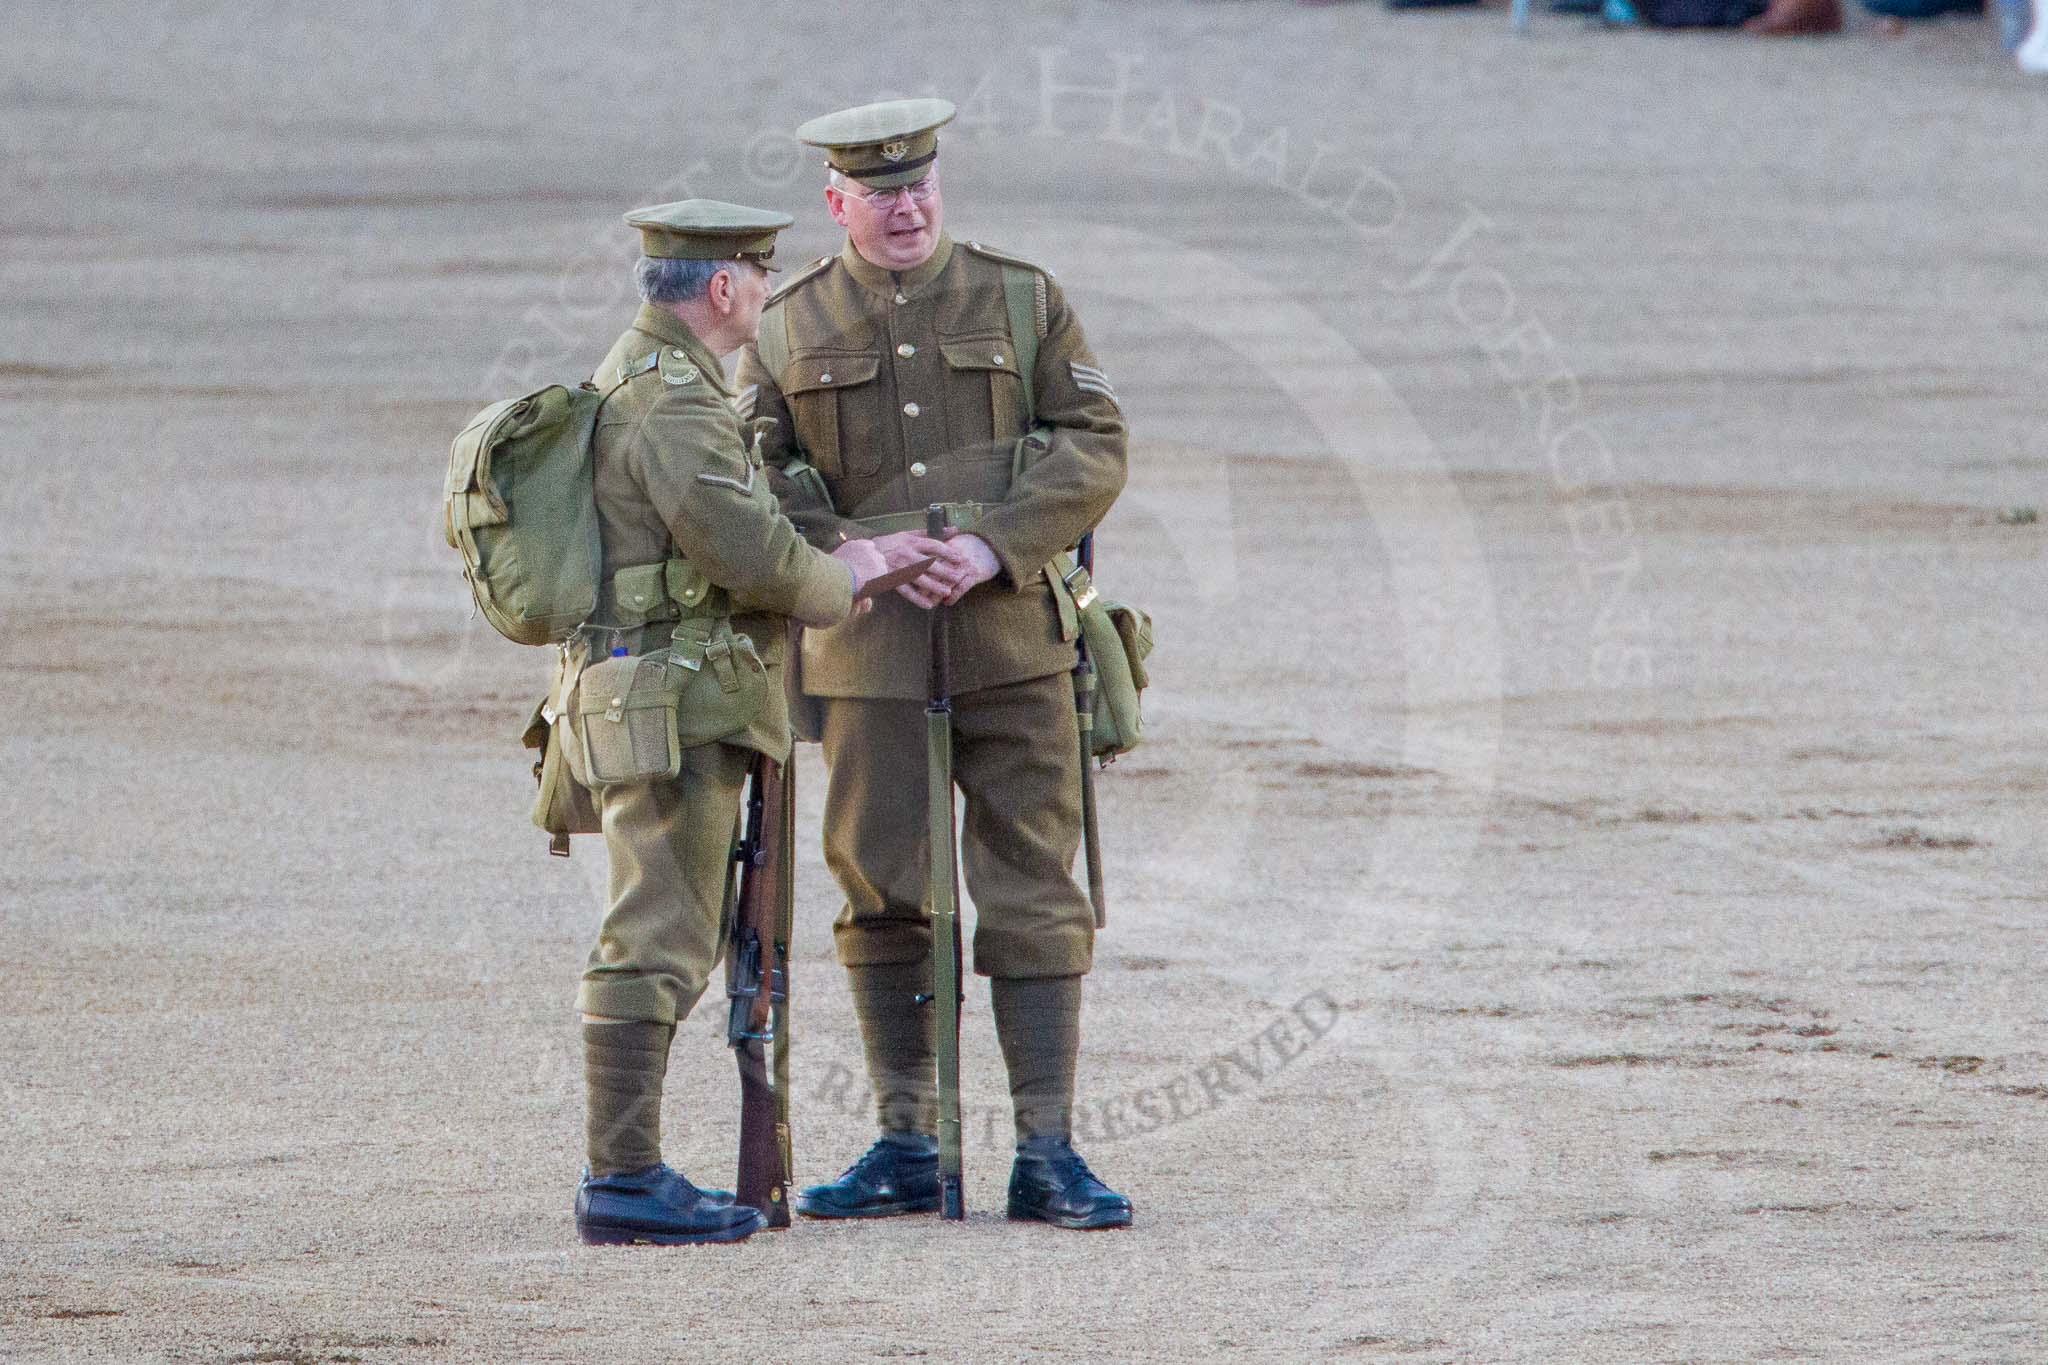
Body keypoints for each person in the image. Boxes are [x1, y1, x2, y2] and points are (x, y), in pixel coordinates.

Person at [735, 99, 1134, 1230]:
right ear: (836, 204)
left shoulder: (1020, 296)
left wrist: (988, 544)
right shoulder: (787, 320)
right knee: (884, 895)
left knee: (1034, 893)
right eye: (878, 194)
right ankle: (906, 1147)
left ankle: (1047, 1154)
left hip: (1013, 642)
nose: (903, 209)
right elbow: (750, 470)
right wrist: (845, 553)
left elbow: (1094, 444)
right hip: (867, 657)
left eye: (919, 187)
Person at [569, 199, 941, 1246]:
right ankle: (623, 1178)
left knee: (670, 924)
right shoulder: (672, 403)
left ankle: (628, 1173)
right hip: (672, 699)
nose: (767, 295)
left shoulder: (656, 380)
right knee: (658, 932)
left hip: (667, 686)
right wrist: (844, 574)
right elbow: (746, 548)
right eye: (758, 277)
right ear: (723, 288)